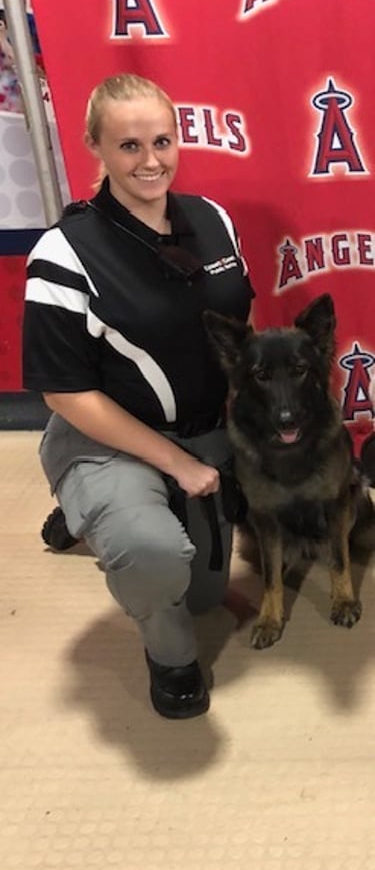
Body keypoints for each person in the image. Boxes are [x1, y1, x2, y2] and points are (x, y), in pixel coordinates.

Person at [22, 73, 255, 719]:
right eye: (128, 146)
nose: (150, 160)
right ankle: (170, 655)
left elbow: (238, 330)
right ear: (94, 145)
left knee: (204, 591)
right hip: (107, 439)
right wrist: (178, 465)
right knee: (155, 558)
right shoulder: (63, 252)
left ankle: (92, 514)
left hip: (203, 430)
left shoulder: (212, 220)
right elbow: (65, 391)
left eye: (162, 140)